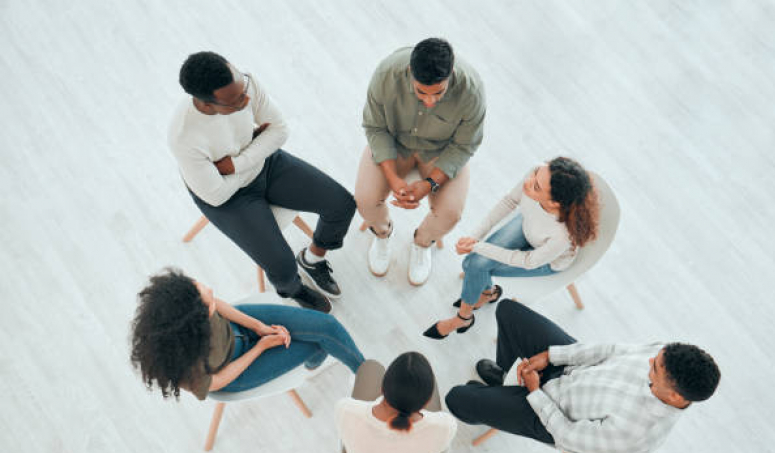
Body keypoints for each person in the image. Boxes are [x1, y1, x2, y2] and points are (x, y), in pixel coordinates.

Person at [168, 51, 357, 314]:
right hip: (229, 199)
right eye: (235, 102)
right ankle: (293, 289)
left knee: (342, 204)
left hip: (262, 165)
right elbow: (216, 195)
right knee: (281, 266)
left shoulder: (244, 83)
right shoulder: (184, 137)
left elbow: (280, 130)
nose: (246, 100)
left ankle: (313, 259)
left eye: (243, 90)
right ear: (208, 105)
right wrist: (256, 147)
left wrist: (235, 164)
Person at [446, 299, 721, 453]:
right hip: (570, 370)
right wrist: (552, 356)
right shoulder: (667, 355)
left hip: (550, 417)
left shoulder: (636, 438)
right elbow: (610, 351)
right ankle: (503, 380)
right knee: (507, 311)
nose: (649, 361)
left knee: (457, 399)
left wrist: (535, 393)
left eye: (656, 368)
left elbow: (566, 434)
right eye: (656, 357)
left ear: (674, 396)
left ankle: (489, 406)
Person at [355, 38, 486, 286]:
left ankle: (422, 242)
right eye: (421, 92)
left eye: (438, 92)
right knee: (365, 200)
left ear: (452, 73)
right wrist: (393, 178)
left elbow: (465, 145)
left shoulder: (472, 91)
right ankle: (383, 233)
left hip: (442, 151)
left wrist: (429, 184)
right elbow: (375, 127)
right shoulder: (386, 74)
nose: (429, 101)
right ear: (409, 73)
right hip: (395, 144)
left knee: (451, 214)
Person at [424, 157, 599, 339]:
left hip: (545, 261)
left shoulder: (562, 235)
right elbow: (509, 202)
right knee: (473, 264)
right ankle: (487, 294)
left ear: (555, 203)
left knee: (473, 264)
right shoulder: (536, 172)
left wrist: (478, 247)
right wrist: (474, 237)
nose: (527, 182)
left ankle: (463, 317)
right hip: (527, 226)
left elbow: (529, 261)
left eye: (536, 187)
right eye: (535, 175)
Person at [129, 269, 364, 401]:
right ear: (196, 324)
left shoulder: (184, 303)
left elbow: (217, 304)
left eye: (199, 286)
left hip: (239, 325)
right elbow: (218, 382)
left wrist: (257, 326)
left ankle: (365, 377)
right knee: (319, 344)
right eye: (206, 303)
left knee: (327, 328)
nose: (209, 290)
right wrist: (260, 347)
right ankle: (311, 365)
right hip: (236, 370)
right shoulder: (184, 367)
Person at [335, 353, 457, 453]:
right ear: (427, 402)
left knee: (370, 367)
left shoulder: (346, 409)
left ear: (382, 389)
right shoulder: (445, 425)